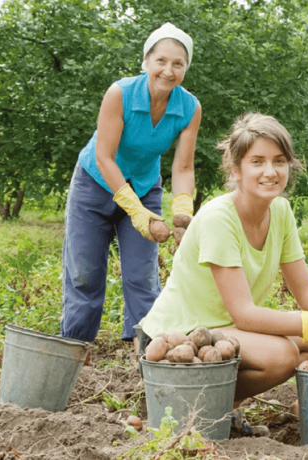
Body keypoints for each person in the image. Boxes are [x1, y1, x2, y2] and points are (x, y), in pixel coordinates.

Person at [139, 113, 308, 436]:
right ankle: (195, 408)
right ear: (236, 169)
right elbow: (244, 314)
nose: (270, 172)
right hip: (179, 341)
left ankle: (304, 410)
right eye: (257, 161)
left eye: (279, 161)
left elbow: (306, 292)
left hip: (225, 331)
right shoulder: (219, 218)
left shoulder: (280, 211)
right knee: (283, 354)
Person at [60, 23, 202, 356]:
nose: (168, 71)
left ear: (185, 68)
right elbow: (105, 157)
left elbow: (182, 167)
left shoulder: (189, 108)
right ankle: (75, 345)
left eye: (178, 64)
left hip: (144, 186)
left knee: (141, 275)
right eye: (161, 61)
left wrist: (183, 211)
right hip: (94, 184)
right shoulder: (120, 93)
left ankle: (144, 350)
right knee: (84, 272)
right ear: (146, 62)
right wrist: (134, 210)